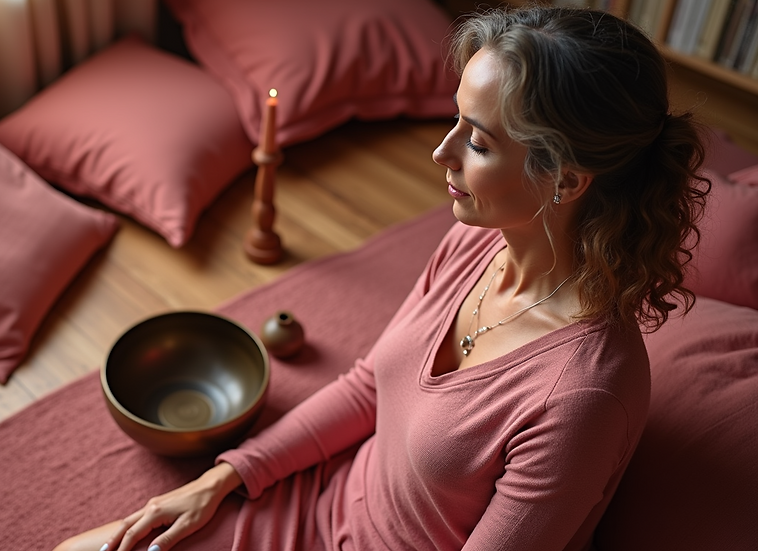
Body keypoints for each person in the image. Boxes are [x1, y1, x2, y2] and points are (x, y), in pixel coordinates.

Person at [55, 5, 709, 551]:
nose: (441, 151)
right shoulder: (471, 244)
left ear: (565, 179)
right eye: (455, 121)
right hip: (321, 502)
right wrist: (224, 477)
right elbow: (368, 385)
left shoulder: (582, 396)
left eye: (477, 142)